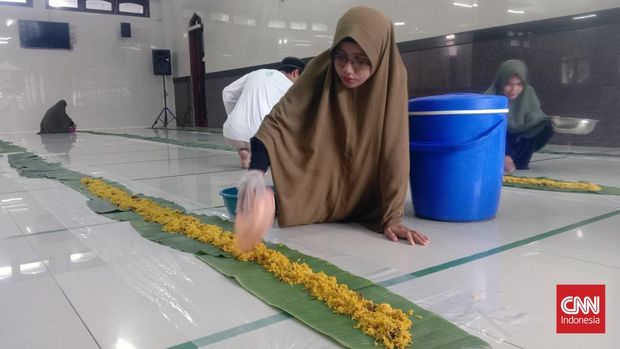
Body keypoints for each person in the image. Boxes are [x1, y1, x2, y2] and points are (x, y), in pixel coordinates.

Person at [236, 6, 430, 247]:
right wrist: (256, 171)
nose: (348, 70)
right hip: (321, 182)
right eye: (341, 57)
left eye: (361, 60)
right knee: (285, 203)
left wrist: (392, 217)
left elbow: (394, 149)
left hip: (366, 191)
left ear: (379, 56)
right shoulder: (321, 70)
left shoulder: (393, 78)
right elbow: (279, 122)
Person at [222, 57, 305, 169]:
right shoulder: (290, 87)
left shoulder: (256, 73)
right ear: (296, 73)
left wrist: (232, 116)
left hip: (232, 133)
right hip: (262, 139)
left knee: (242, 134)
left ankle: (243, 150)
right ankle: (257, 156)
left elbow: (227, 92)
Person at [485, 59, 555, 173]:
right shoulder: (490, 97)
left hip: (519, 141)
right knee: (497, 123)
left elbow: (535, 117)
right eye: (508, 84)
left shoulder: (528, 92)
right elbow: (484, 129)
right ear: (501, 81)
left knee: (544, 123)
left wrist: (549, 122)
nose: (514, 90)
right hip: (495, 147)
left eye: (519, 84)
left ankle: (519, 160)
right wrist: (502, 155)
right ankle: (501, 159)